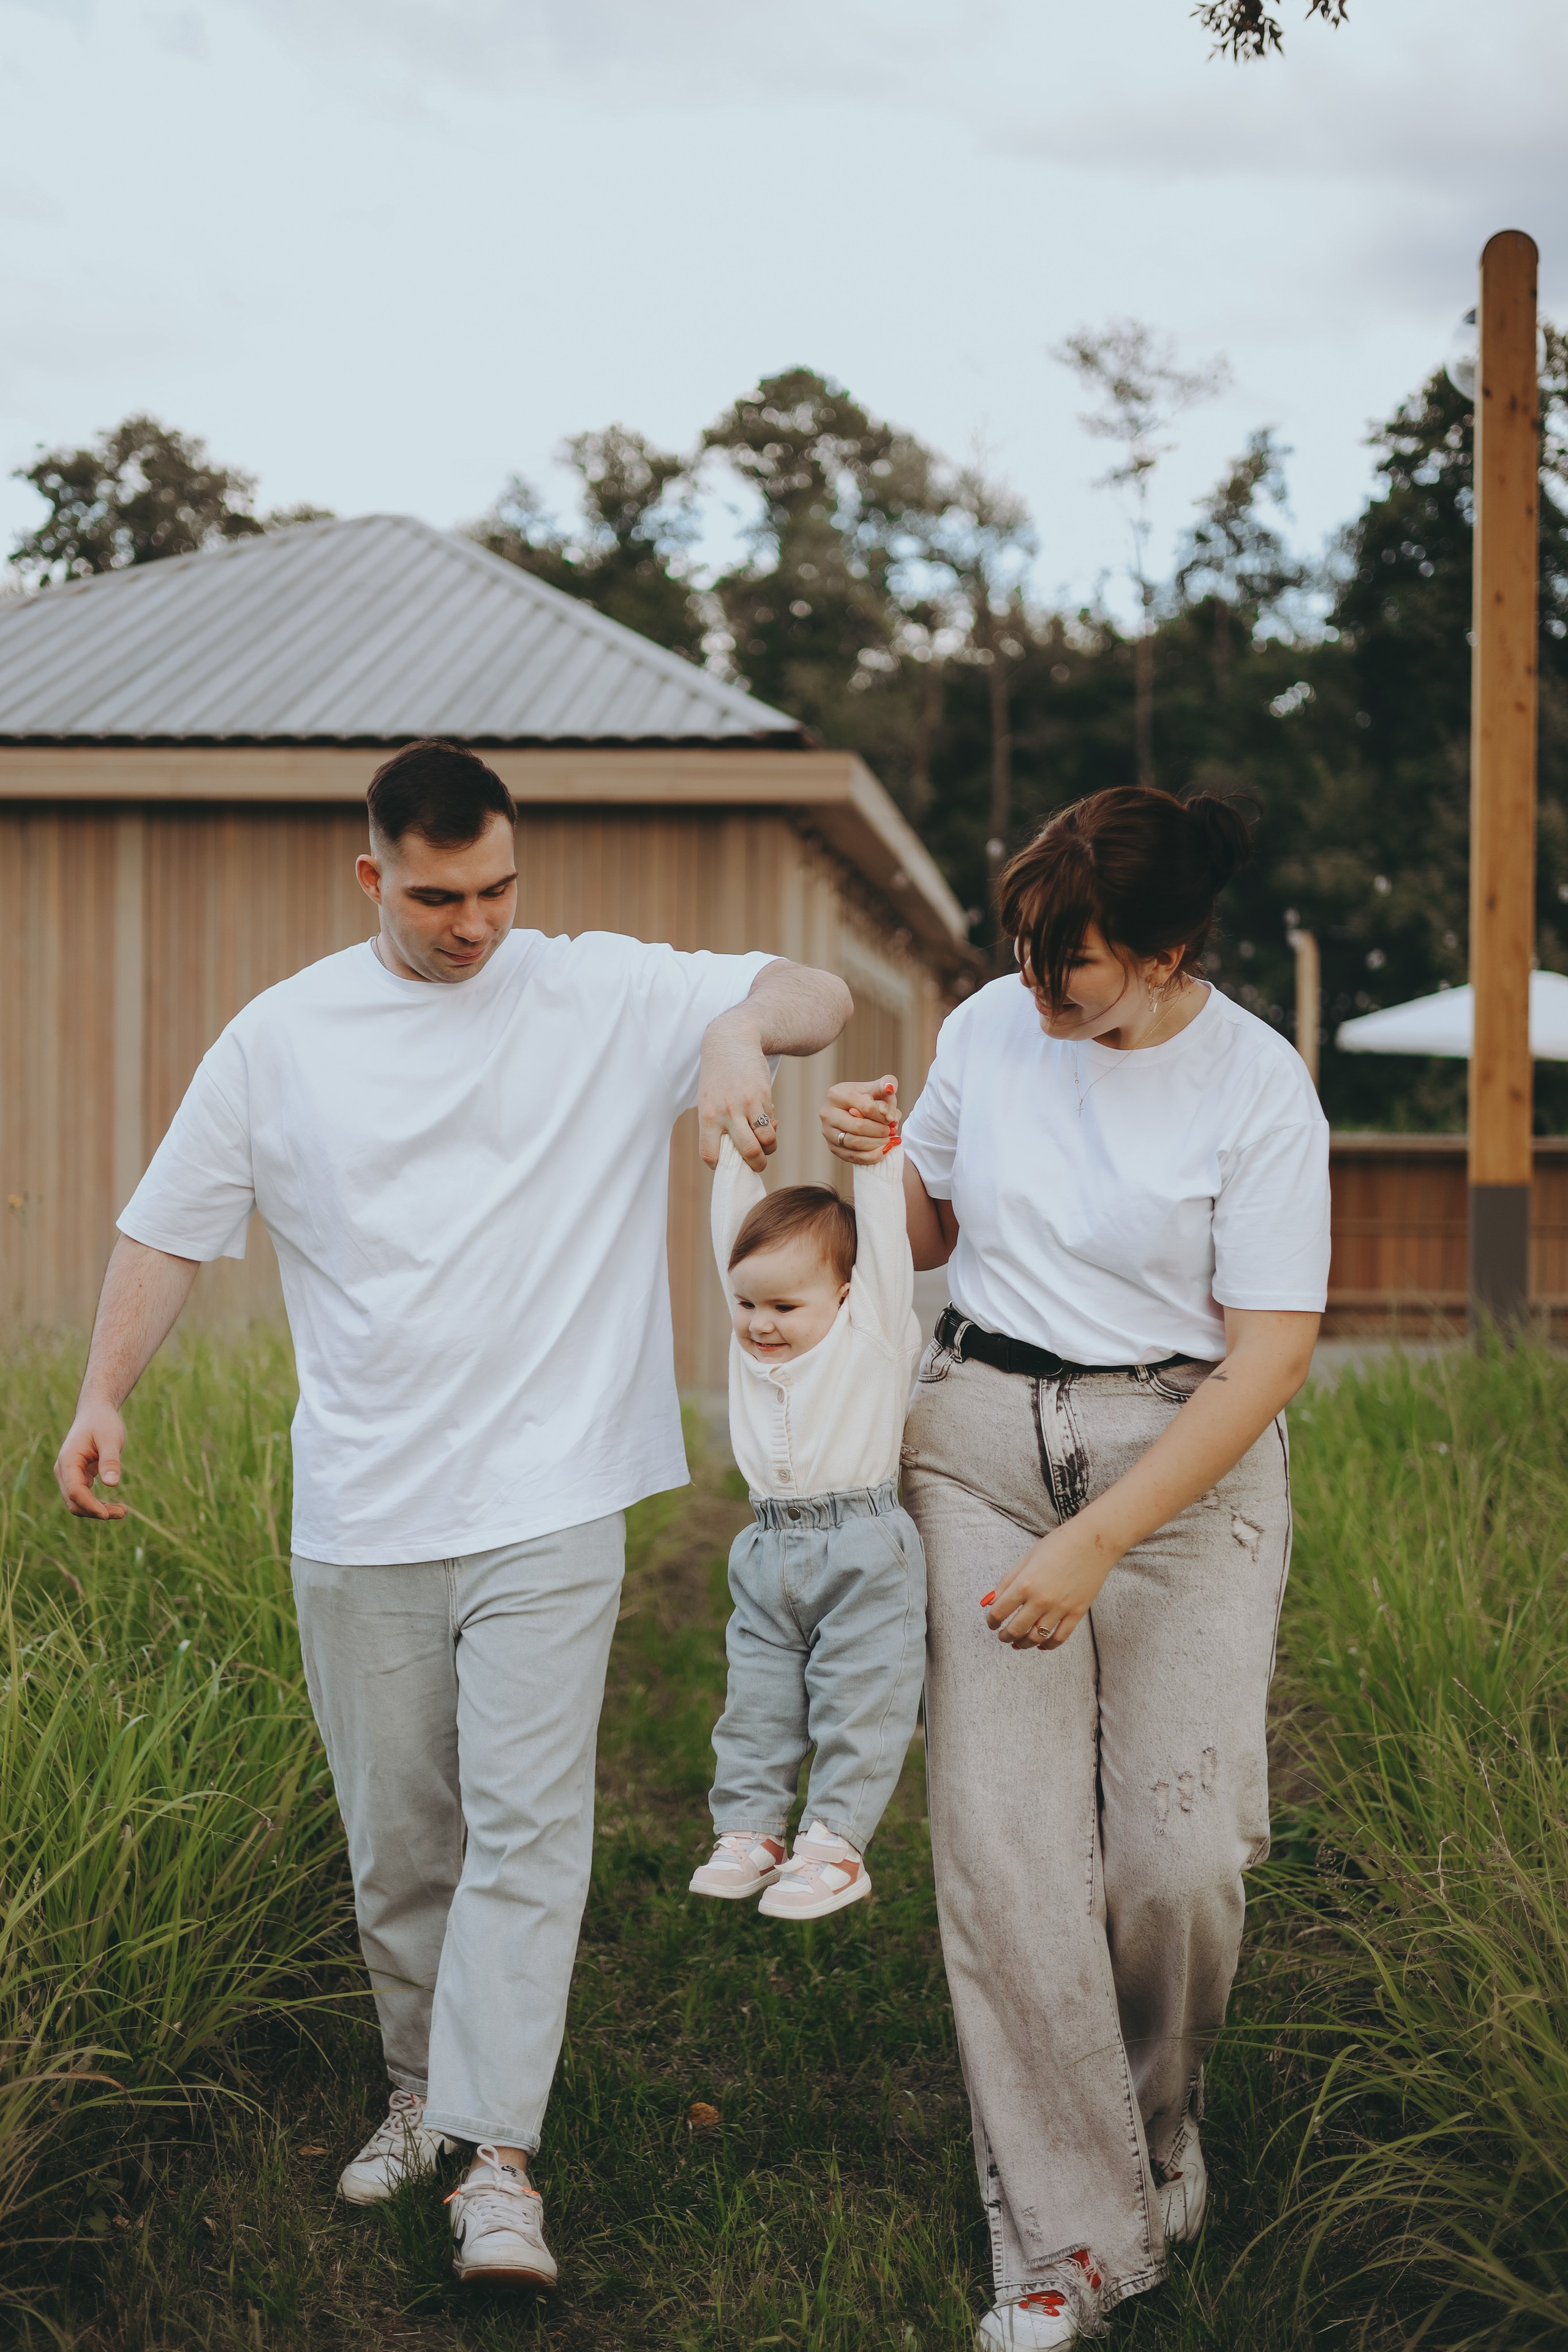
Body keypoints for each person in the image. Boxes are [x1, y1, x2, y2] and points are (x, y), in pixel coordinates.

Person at [53, 739, 851, 2296]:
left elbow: (814, 991)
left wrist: (737, 1031)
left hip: (548, 1491)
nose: (474, 923)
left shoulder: (601, 987)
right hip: (358, 1502)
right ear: (373, 879)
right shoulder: (281, 1038)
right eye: (437, 898)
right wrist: (103, 1394)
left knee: (530, 1828)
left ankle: (498, 2159)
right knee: (401, 1839)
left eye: (495, 887)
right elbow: (168, 1228)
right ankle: (419, 2090)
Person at [821, 785, 1329, 2352]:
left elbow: (1267, 1362)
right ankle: (1070, 2242)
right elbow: (919, 1232)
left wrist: (1094, 1542)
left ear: (1171, 951)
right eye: (1027, 957)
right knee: (1007, 1848)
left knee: (1174, 1860)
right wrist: (869, 1159)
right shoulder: (990, 1024)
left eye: (1075, 969)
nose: (1036, 993)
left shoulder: (1257, 1085)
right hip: (974, 1433)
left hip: (1179, 1459)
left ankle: (1153, 2129)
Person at [688, 1081, 925, 1920]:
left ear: (846, 1297)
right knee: (757, 1697)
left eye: (786, 1306)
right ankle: (752, 1831)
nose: (759, 1324)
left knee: (859, 1694)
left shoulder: (873, 1327)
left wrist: (876, 1156)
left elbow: (887, 1243)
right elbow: (733, 1235)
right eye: (748, 1303)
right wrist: (735, 1149)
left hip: (862, 1545)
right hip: (766, 1549)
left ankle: (834, 1843)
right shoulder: (753, 1339)